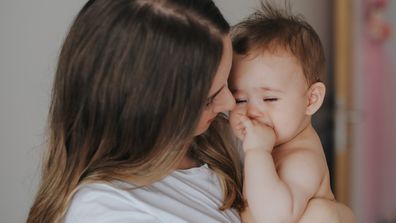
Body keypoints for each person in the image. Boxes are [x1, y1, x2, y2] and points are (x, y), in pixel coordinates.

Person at [27, 0, 354, 222]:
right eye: (210, 97)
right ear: (152, 110)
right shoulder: (112, 211)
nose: (229, 105)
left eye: (227, 84)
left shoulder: (218, 143)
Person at [229, 3, 355, 223]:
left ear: (311, 99)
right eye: (239, 99)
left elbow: (273, 218)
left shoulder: (302, 159)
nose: (251, 111)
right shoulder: (273, 146)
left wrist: (257, 152)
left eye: (270, 98)